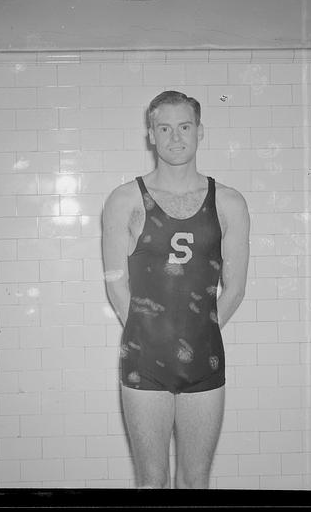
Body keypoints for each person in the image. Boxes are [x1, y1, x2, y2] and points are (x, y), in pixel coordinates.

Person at [102, 90, 250, 488]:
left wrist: (201, 333)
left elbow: (235, 287)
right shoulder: (123, 201)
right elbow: (117, 285)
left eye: (184, 127)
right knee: (152, 483)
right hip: (145, 359)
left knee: (195, 482)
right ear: (150, 134)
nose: (175, 137)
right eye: (163, 128)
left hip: (205, 359)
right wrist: (150, 334)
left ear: (200, 131)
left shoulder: (229, 202)